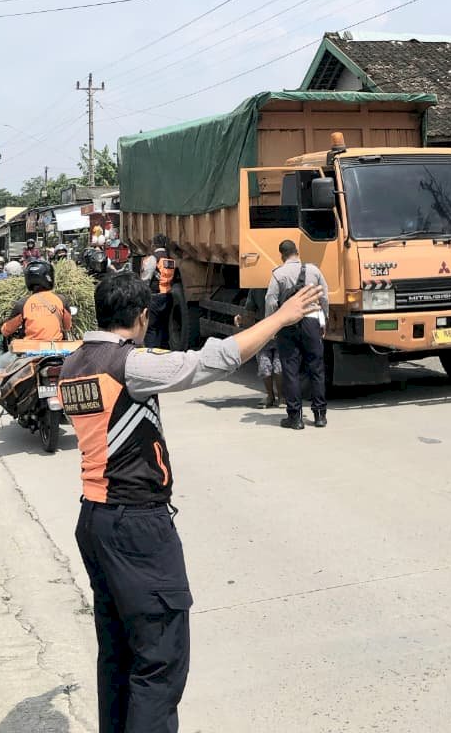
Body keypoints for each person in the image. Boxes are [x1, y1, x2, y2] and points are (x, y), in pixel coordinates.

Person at [59, 272, 322, 733]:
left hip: (95, 520)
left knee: (118, 654)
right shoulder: (130, 364)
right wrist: (280, 318)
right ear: (142, 317)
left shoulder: (72, 365)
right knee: (159, 659)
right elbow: (212, 360)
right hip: (136, 526)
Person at [265, 239, 329, 429]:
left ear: (282, 255)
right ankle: (320, 415)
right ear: (297, 252)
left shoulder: (278, 274)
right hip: (311, 321)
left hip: (288, 323)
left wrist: (272, 325)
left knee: (290, 370)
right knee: (316, 368)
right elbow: (324, 297)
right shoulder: (314, 271)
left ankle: (295, 418)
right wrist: (323, 320)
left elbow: (270, 301)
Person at [0, 259, 73, 381]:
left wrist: (2, 328)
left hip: (30, 352)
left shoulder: (23, 303)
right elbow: (67, 326)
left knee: (1, 363)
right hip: (57, 351)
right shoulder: (61, 300)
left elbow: (6, 330)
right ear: (49, 277)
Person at [140, 234, 175, 349]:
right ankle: (164, 351)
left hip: (154, 296)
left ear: (153, 244)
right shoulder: (170, 259)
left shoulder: (153, 258)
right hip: (167, 296)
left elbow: (146, 279)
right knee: (164, 327)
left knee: (151, 328)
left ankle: (151, 351)